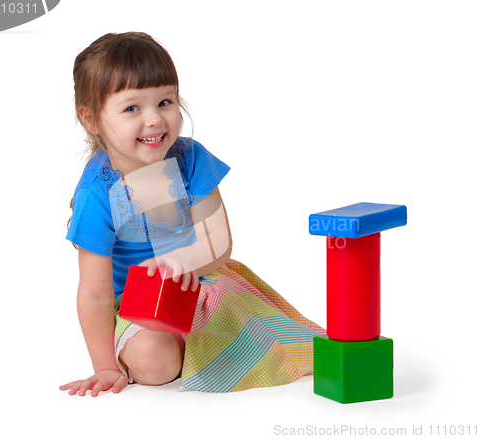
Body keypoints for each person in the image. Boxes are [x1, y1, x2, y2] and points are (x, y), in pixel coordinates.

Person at [60, 32, 325, 397]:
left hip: (201, 280)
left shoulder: (191, 159)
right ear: (91, 120)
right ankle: (184, 350)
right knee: (155, 363)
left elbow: (219, 241)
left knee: (269, 336)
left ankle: (211, 346)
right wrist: (105, 367)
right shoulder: (96, 193)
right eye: (132, 108)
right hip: (137, 306)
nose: (154, 119)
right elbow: (94, 294)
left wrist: (184, 262)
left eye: (165, 101)